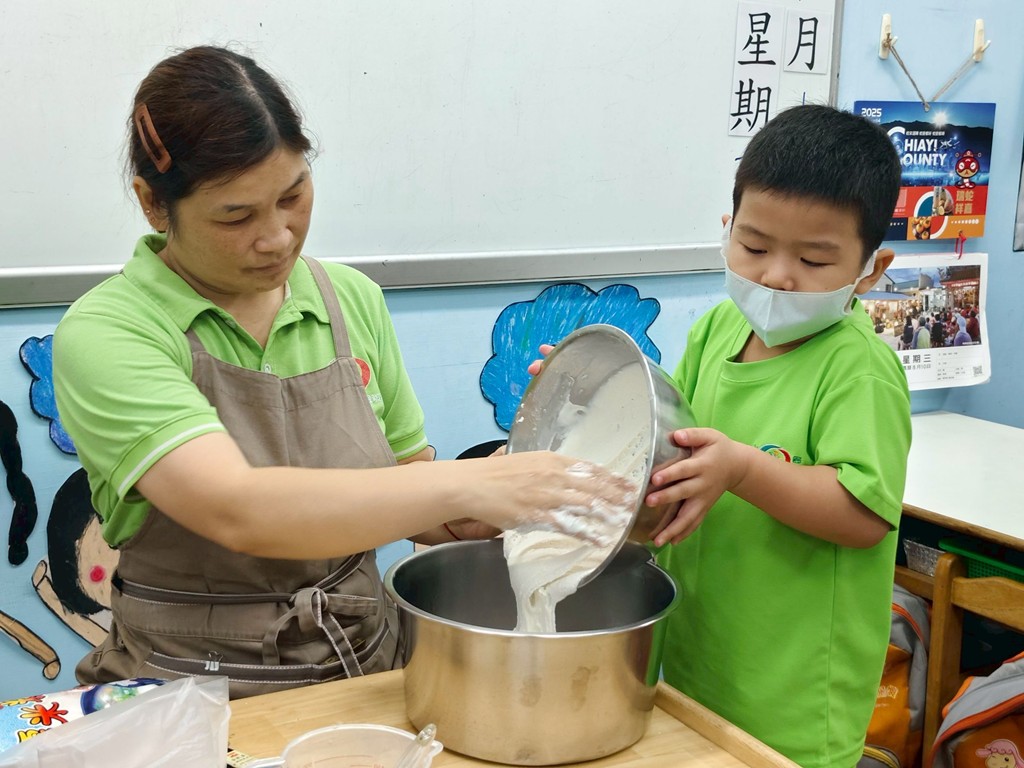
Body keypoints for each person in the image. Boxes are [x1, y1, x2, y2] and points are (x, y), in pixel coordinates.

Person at [51, 46, 632, 699]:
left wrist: (503, 488)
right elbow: (236, 508)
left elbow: (412, 493)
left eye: (293, 195)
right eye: (235, 216)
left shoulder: (349, 300)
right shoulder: (110, 332)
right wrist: (471, 483)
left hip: (363, 671)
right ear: (154, 205)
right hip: (191, 691)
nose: (277, 236)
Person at [643, 105, 912, 767]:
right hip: (698, 663)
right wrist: (599, 396)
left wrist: (741, 469)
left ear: (871, 269)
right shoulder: (716, 330)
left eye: (814, 259)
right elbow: (669, 443)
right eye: (755, 248)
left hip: (793, 700)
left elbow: (863, 516)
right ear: (728, 228)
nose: (776, 276)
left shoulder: (858, 369)